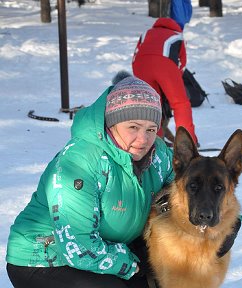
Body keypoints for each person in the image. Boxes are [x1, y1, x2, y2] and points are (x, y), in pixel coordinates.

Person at [5, 74, 174, 288]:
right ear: (111, 123)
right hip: (44, 259)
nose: (144, 139)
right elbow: (79, 246)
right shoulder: (80, 162)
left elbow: (182, 190)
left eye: (151, 129)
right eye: (133, 127)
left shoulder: (159, 155)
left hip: (111, 247)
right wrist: (134, 265)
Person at [132, 17, 199, 146]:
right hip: (165, 66)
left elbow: (136, 55)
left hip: (140, 65)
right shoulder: (177, 36)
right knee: (180, 104)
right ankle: (187, 142)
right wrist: (171, 83)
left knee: (151, 104)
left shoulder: (146, 33)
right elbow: (181, 64)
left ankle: (154, 140)